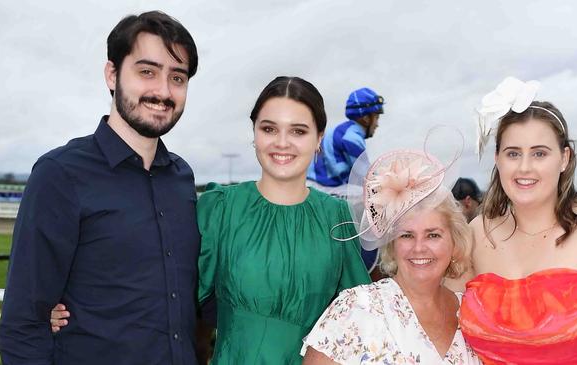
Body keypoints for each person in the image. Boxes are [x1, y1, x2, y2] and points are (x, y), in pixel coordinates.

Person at [0, 11, 201, 365]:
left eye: (178, 77)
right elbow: (23, 323)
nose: (163, 91)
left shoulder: (182, 179)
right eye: (147, 72)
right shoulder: (60, 175)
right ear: (112, 74)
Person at [459, 77, 577, 364]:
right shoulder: (477, 233)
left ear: (564, 158)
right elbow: (436, 321)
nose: (525, 167)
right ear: (497, 159)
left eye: (539, 153)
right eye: (513, 153)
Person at [196, 76, 371, 364]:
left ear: (319, 137)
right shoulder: (220, 209)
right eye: (269, 128)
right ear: (254, 132)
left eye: (298, 131)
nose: (282, 143)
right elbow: (174, 304)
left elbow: (361, 320)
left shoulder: (336, 219)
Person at [301, 145, 481, 364]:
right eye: (406, 235)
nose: (419, 247)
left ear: (454, 242)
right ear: (391, 245)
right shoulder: (356, 307)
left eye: (433, 235)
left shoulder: (473, 315)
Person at [307, 87, 384, 275]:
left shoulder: (339, 130)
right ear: (366, 118)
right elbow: (369, 178)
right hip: (331, 194)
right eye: (377, 117)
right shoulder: (352, 136)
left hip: (316, 191)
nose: (377, 124)